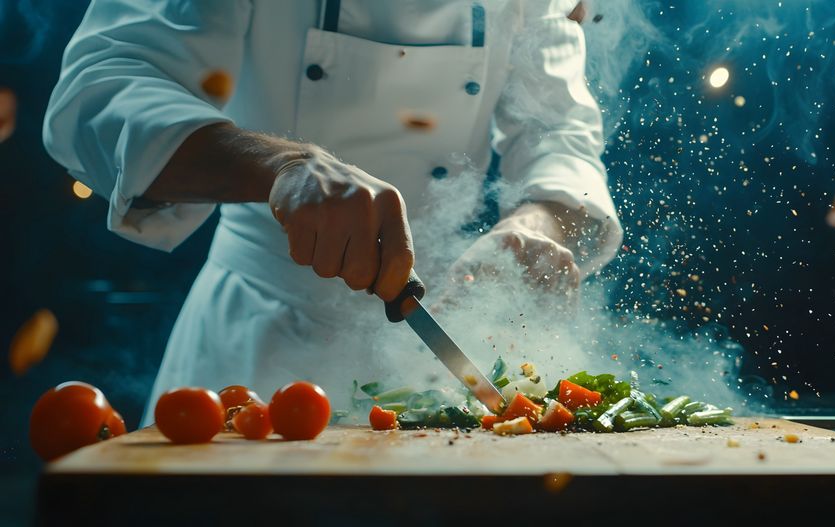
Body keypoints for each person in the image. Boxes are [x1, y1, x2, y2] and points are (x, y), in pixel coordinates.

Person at [43, 0, 623, 422]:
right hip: (258, 345)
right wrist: (279, 166)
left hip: (432, 347)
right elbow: (96, 89)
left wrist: (534, 224)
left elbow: (560, 131)